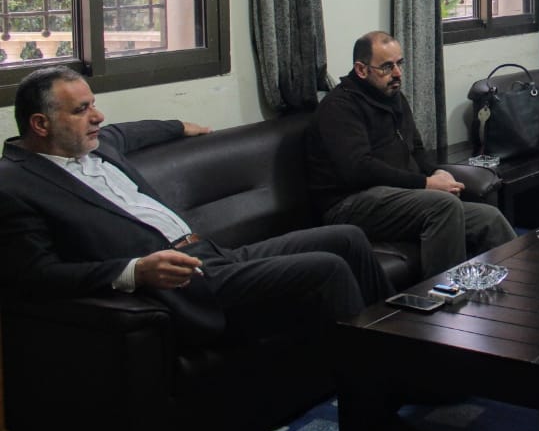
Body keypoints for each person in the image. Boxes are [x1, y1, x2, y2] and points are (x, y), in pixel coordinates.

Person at [0, 66, 392, 345]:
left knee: (347, 237)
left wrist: (178, 126)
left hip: (215, 253)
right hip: (186, 281)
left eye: (94, 105)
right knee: (327, 266)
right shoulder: (16, 184)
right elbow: (35, 275)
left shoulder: (97, 145)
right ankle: (371, 391)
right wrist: (134, 270)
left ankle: (403, 343)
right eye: (81, 110)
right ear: (40, 124)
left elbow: (128, 132)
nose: (97, 117)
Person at [307, 31, 515, 280]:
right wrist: (425, 183)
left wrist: (436, 171)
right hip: (350, 203)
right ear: (361, 70)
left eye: (399, 64)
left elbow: (415, 150)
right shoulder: (339, 107)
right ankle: (443, 295)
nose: (397, 73)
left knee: (489, 219)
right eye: (387, 67)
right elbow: (358, 169)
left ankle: (519, 287)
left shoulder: (394, 97)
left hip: (398, 197)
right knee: (443, 206)